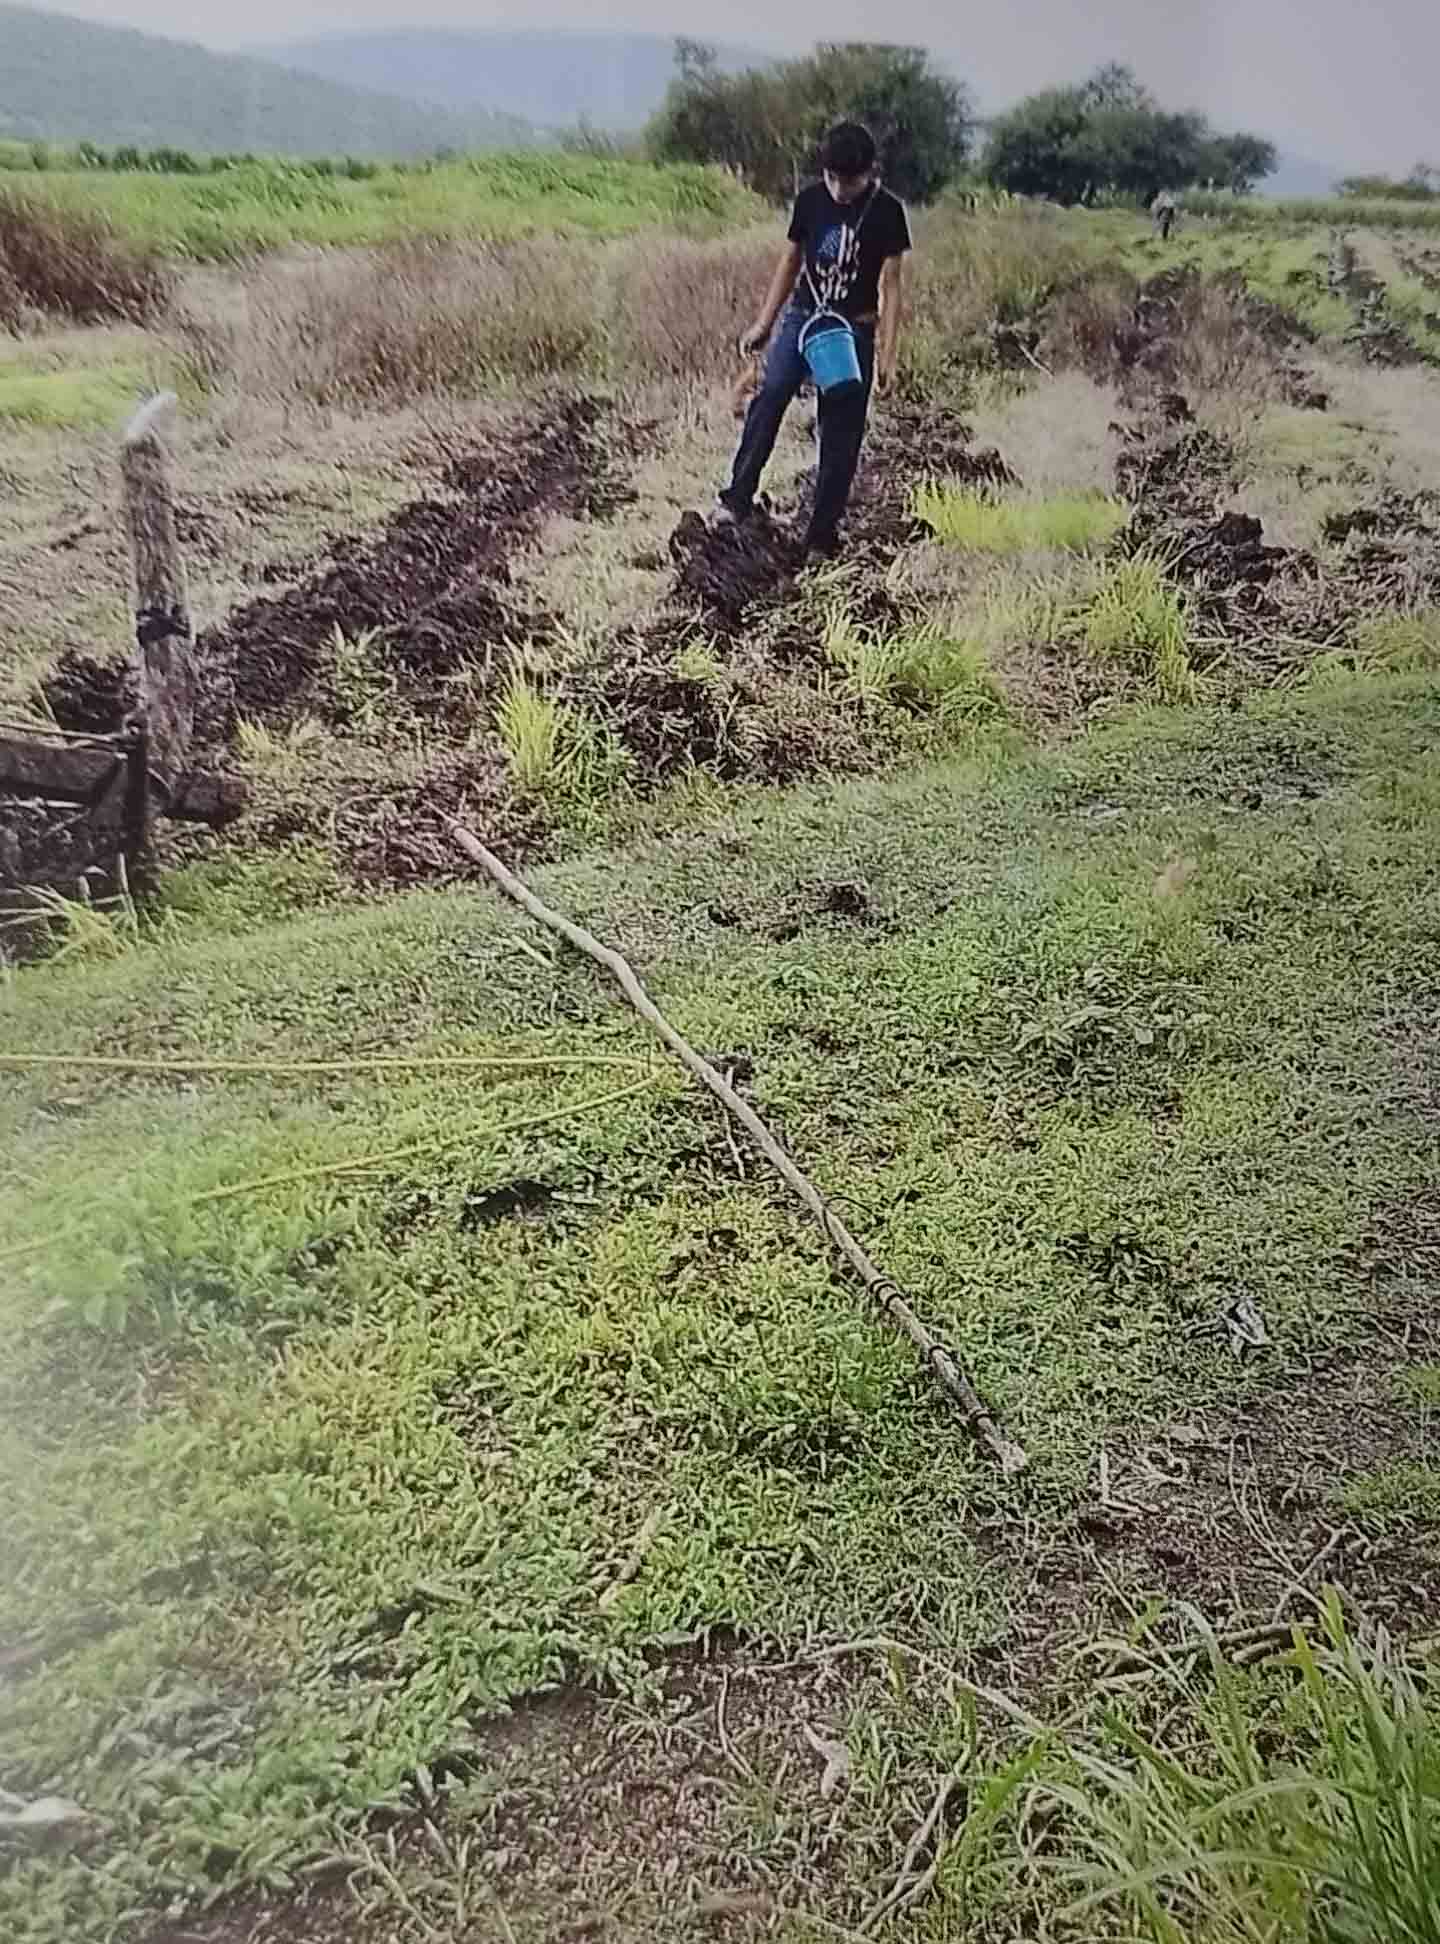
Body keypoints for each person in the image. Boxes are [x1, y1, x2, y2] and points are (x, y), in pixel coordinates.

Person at [714, 121, 912, 560]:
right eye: (833, 178)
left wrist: (888, 355)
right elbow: (791, 261)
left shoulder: (889, 212)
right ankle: (737, 499)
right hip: (805, 318)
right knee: (769, 397)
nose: (840, 190)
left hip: (854, 326)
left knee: (842, 427)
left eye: (851, 180)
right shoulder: (809, 201)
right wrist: (765, 323)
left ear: (871, 172)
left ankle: (821, 536)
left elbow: (892, 287)